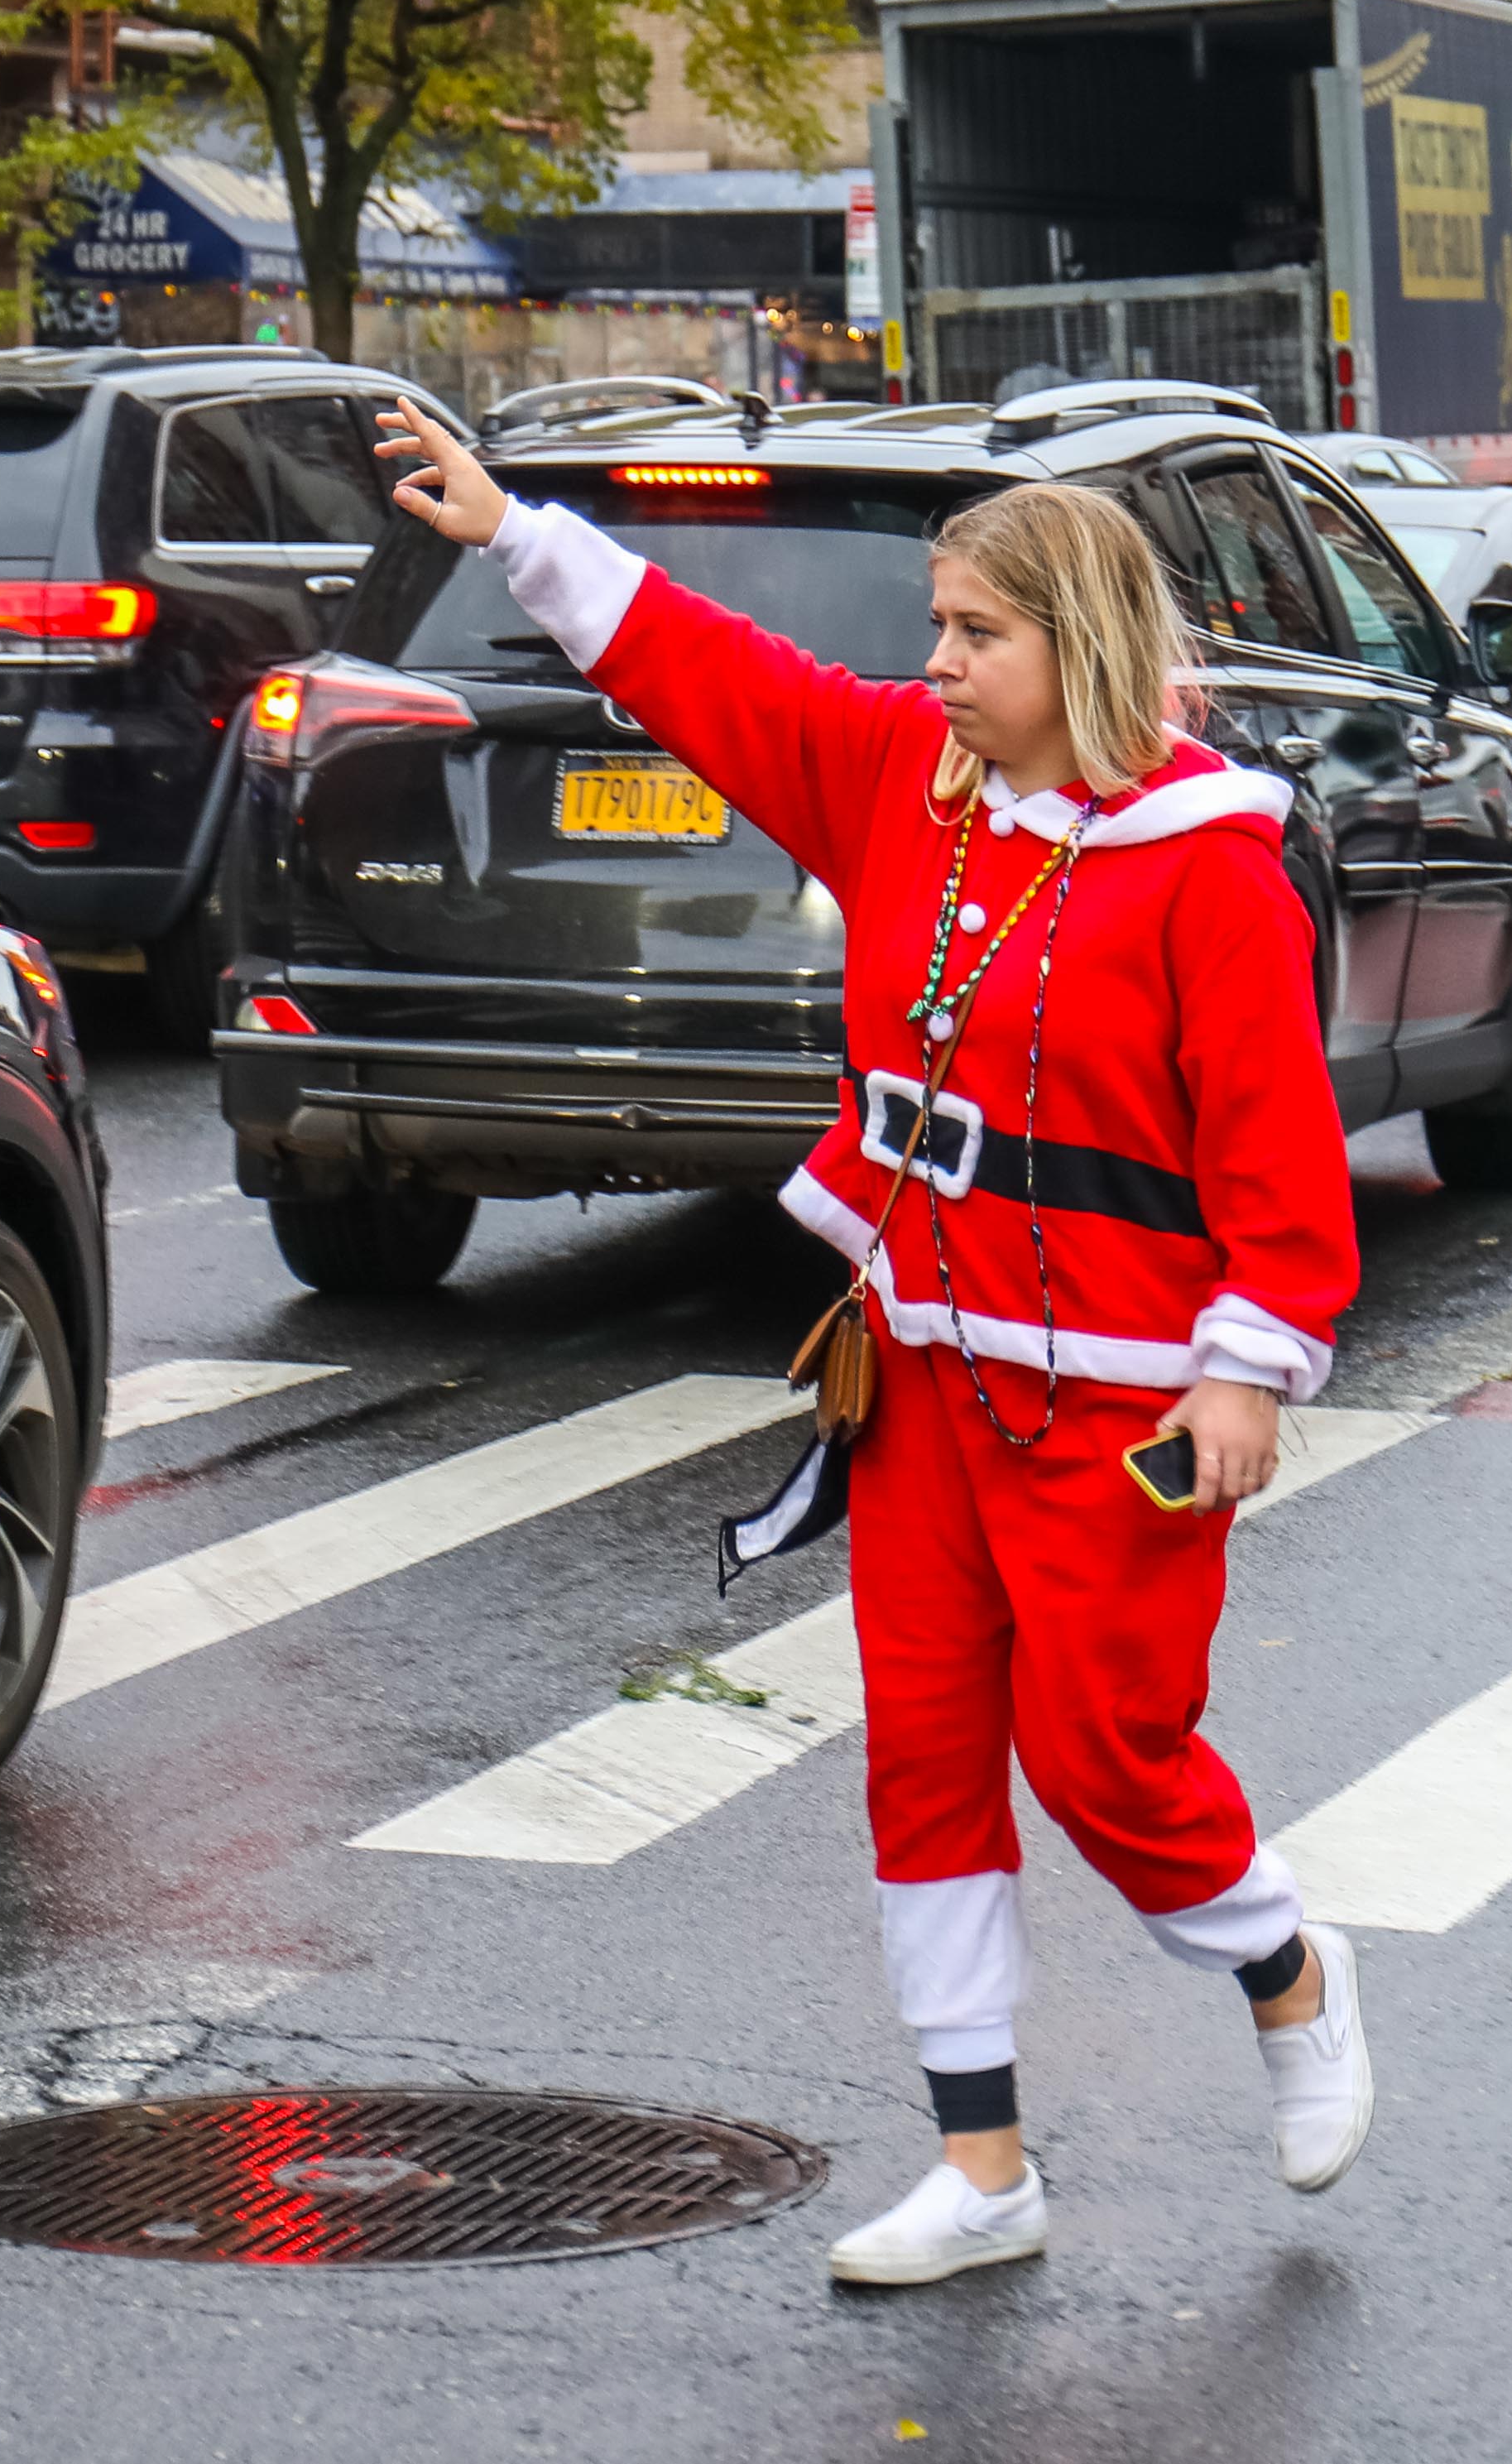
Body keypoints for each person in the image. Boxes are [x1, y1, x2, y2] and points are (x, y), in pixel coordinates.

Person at [375, 397, 1369, 2287]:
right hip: (916, 1368)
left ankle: (1288, 1971)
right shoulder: (905, 777)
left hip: (1126, 1407)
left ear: (1073, 647)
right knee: (919, 1750)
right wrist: (516, 528)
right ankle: (981, 2168)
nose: (934, 666)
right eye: (934, 629)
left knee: (1109, 1763)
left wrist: (1248, 1365)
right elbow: (707, 671)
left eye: (972, 635)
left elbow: (1276, 1153)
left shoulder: (1206, 864)